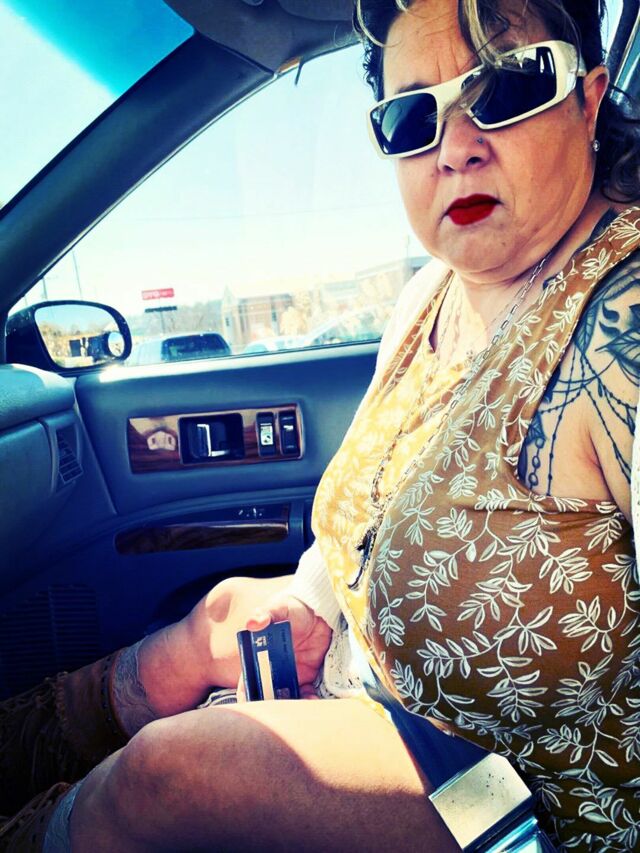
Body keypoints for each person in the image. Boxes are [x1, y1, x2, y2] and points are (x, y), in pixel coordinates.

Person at [2, 0, 640, 849]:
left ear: (589, 100)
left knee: (169, 773)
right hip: (390, 705)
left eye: (507, 88)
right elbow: (371, 504)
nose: (455, 147)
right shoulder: (433, 295)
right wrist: (312, 599)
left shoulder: (624, 324)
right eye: (413, 117)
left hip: (526, 796)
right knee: (215, 618)